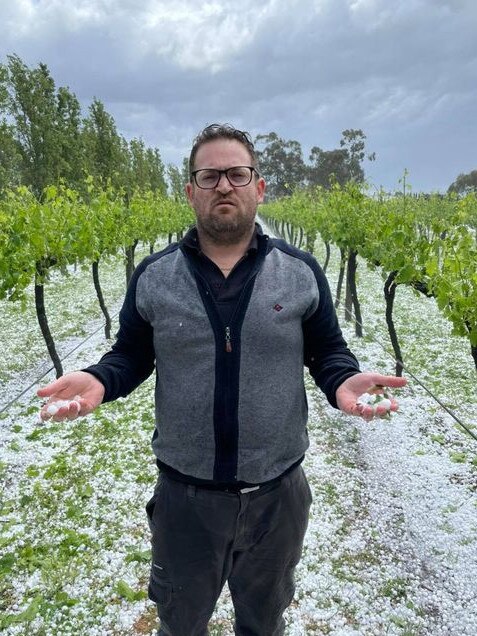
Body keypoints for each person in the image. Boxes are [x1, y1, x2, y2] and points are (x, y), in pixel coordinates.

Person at [38, 123, 407, 636]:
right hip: (186, 501)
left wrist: (340, 381)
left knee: (264, 624)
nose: (224, 186)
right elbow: (130, 355)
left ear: (259, 187)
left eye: (237, 174)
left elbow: (327, 351)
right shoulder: (155, 276)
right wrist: (101, 379)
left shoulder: (300, 273)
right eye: (209, 176)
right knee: (180, 624)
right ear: (191, 192)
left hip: (277, 499)